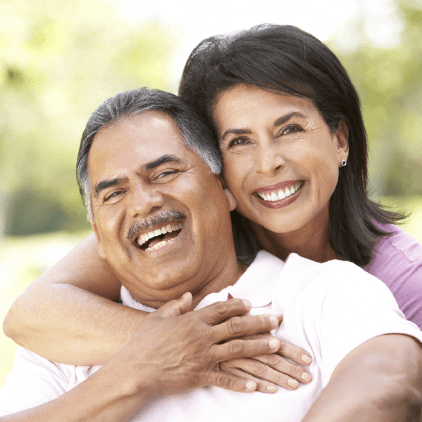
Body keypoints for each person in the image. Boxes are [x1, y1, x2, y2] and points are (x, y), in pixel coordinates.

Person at [4, 24, 422, 389]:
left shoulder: (399, 280)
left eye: (290, 129)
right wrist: (191, 342)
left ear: (340, 140)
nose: (268, 162)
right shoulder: (190, 230)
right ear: (214, 167)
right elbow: (30, 314)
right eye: (239, 141)